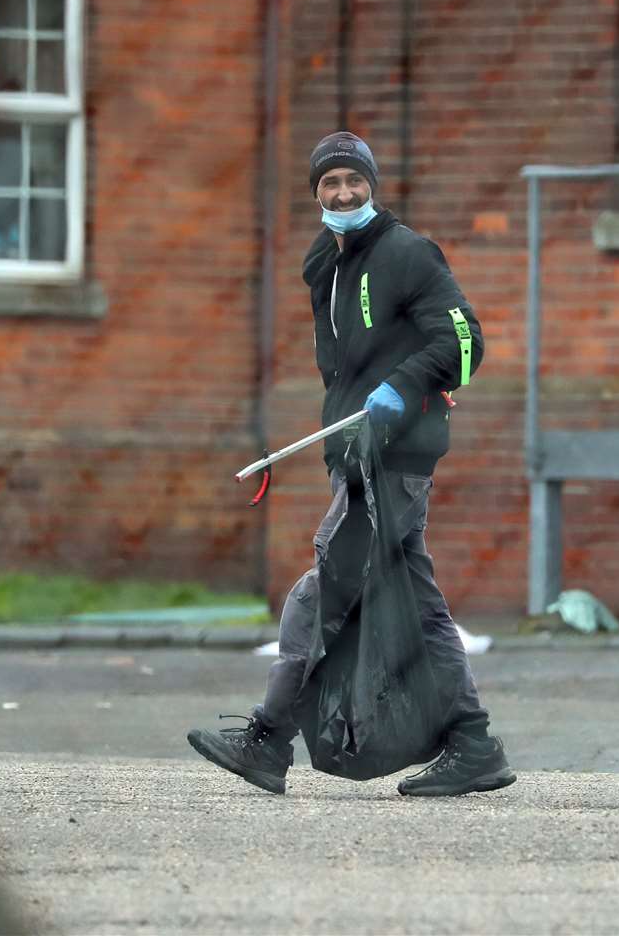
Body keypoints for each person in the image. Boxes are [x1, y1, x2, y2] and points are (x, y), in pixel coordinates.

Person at [187, 131, 515, 798]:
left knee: (320, 592)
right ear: (316, 194)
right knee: (417, 608)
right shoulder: (323, 263)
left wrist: (401, 387)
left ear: (372, 185)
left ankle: (267, 740)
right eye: (330, 183)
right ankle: (474, 745)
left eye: (353, 181)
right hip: (355, 454)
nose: (343, 193)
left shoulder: (407, 253)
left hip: (396, 456)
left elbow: (463, 338)